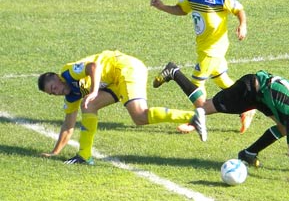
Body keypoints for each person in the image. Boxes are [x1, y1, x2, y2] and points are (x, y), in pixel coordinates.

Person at [153, 62, 289, 186]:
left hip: (264, 96)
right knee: (204, 106)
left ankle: (248, 154)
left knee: (283, 128)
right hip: (251, 89)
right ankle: (174, 72)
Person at [38, 50, 207, 165]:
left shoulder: (68, 72)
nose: (57, 92)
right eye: (52, 94)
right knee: (89, 106)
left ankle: (192, 117)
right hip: (115, 80)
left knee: (139, 115)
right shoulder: (71, 96)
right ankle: (84, 156)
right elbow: (68, 125)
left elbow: (93, 67)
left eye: (54, 88)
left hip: (125, 68)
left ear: (57, 78)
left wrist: (94, 91)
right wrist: (55, 152)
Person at [150, 0, 255, 134]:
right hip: (203, 48)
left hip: (214, 49)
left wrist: (242, 24)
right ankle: (248, 107)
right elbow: (181, 9)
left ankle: (195, 121)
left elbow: (239, 10)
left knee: (196, 84)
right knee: (223, 80)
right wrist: (162, 7)